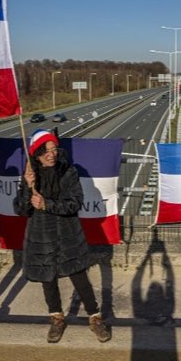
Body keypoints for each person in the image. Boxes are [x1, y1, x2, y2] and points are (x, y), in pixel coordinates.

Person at [14, 129, 111, 344]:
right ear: (36, 153)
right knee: (48, 280)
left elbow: (75, 203)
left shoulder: (69, 172)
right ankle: (57, 319)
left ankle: (95, 318)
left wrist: (47, 204)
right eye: (46, 151)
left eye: (54, 149)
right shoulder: (31, 174)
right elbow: (21, 210)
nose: (52, 154)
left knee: (79, 278)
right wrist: (25, 187)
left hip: (68, 234)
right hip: (41, 236)